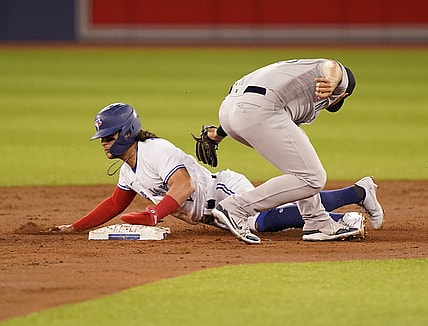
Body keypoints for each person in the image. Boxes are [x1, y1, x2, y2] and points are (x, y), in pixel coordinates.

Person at [51, 103, 383, 242]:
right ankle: (358, 194)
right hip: (209, 210)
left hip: (222, 194)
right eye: (102, 139)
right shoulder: (129, 168)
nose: (104, 144)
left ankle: (350, 207)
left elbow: (183, 186)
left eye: (108, 137)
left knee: (263, 221)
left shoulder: (157, 151)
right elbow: (114, 204)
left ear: (126, 133)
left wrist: (154, 214)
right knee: (276, 215)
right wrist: (75, 227)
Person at [202, 58, 384, 244]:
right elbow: (332, 65)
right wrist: (332, 79)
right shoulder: (337, 83)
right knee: (313, 178)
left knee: (301, 166)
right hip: (259, 109)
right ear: (343, 95)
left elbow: (245, 105)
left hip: (230, 110)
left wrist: (217, 134)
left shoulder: (295, 80)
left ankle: (317, 222)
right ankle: (237, 208)